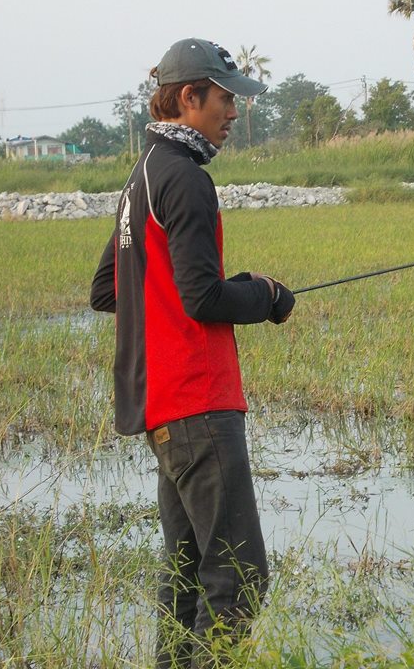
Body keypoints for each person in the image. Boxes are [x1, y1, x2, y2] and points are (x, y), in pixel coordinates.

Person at [90, 37, 295, 667]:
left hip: (163, 411)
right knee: (239, 576)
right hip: (199, 404)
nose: (234, 114)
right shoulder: (185, 178)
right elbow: (203, 297)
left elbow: (107, 289)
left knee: (185, 579)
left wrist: (205, 292)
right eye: (226, 100)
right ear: (189, 98)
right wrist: (263, 295)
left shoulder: (143, 176)